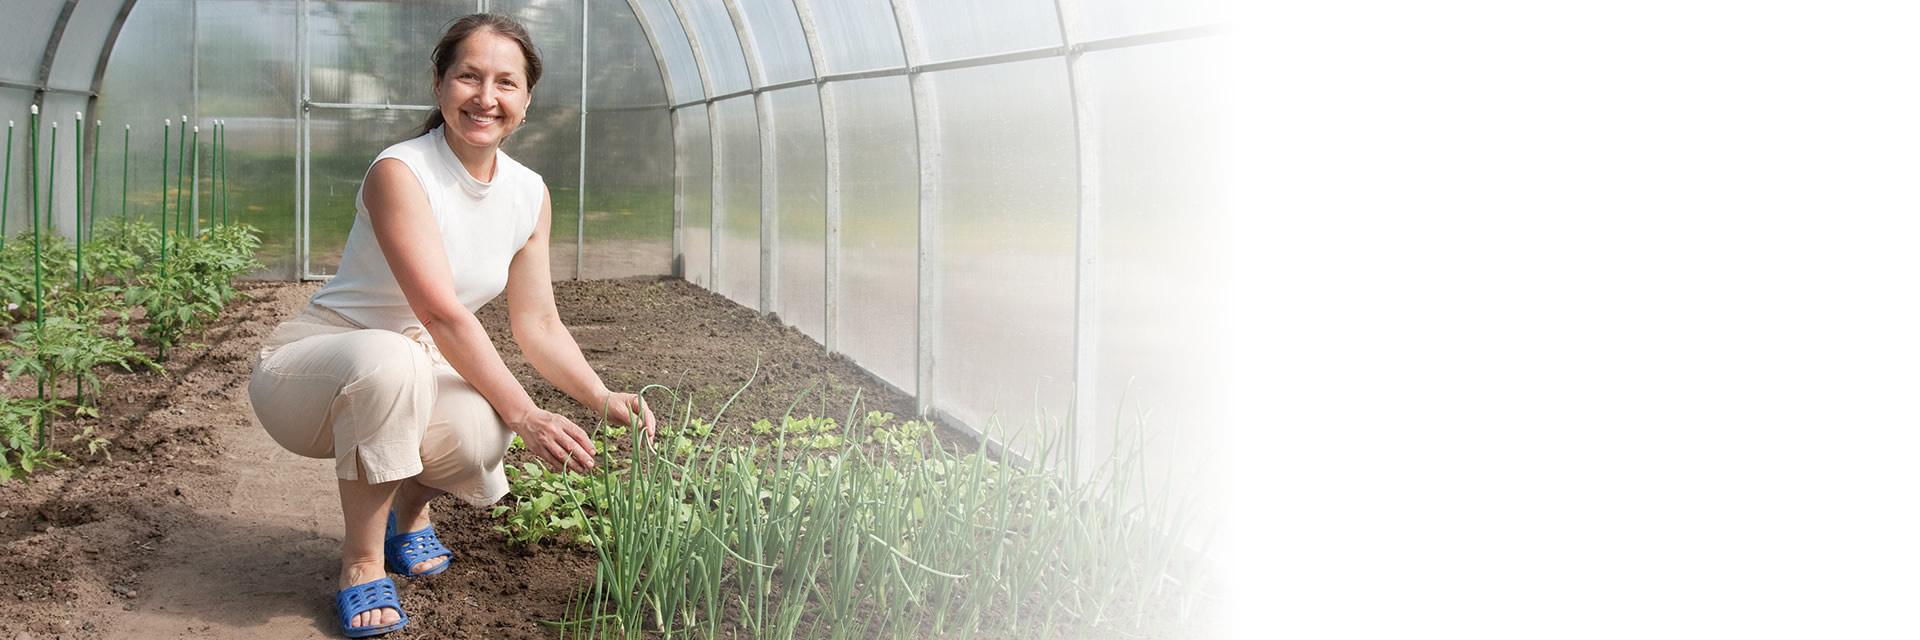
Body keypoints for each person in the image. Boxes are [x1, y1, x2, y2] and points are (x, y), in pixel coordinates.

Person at [246, 14, 655, 638]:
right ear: (439, 84)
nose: (485, 97)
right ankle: (359, 562)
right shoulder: (401, 171)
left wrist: (599, 396)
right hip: (318, 363)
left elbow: (538, 320)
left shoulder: (529, 193)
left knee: (478, 431)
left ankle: (406, 516)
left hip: (415, 360)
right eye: (468, 76)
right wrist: (529, 413)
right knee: (400, 364)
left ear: (526, 99)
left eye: (505, 83)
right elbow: (438, 311)